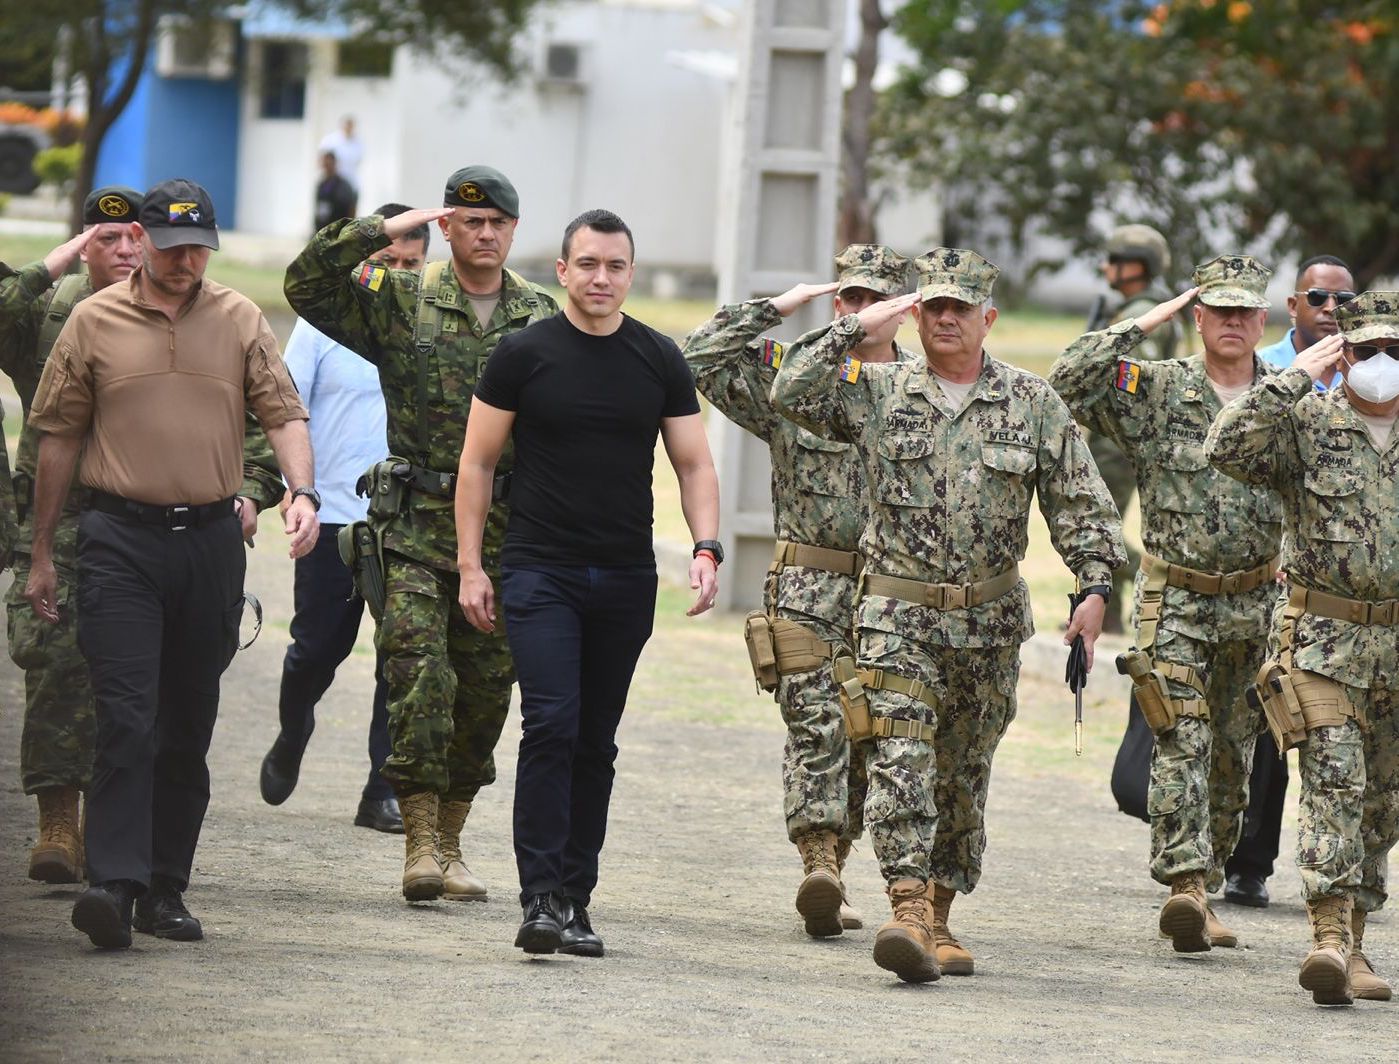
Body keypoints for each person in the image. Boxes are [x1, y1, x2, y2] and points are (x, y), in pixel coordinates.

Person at [772, 247, 1125, 983]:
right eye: (930, 304)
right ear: (913, 312)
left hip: (987, 625)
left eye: (957, 307)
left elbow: (1080, 504)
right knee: (900, 755)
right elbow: (789, 388)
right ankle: (904, 910)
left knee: (961, 773)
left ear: (986, 318)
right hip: (895, 616)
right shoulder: (874, 389)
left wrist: (1094, 589)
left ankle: (939, 911)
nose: (942, 318)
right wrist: (854, 324)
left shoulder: (1031, 404)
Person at [25, 178, 319, 950]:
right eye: (175, 246)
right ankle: (113, 886)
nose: (188, 260)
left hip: (210, 545)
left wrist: (303, 491)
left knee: (187, 721)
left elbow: (283, 410)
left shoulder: (239, 318)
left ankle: (164, 888)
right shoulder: (92, 320)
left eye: (201, 248)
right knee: (127, 715)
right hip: (119, 539)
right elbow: (56, 436)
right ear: (144, 241)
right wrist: (43, 551)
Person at [285, 166, 558, 902]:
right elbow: (306, 286)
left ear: (513, 229)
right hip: (410, 526)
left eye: (498, 221)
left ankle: (454, 840)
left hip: (503, 535)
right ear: (444, 227)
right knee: (417, 679)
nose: (486, 233)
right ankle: (417, 842)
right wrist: (378, 230)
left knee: (481, 694)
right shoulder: (400, 298)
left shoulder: (538, 315)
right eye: (470, 220)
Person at [456, 208, 719, 957]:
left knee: (594, 742)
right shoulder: (522, 355)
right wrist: (472, 565)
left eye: (615, 266)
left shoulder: (659, 358)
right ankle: (538, 897)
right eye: (588, 264)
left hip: (626, 577)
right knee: (552, 726)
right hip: (540, 571)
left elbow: (694, 463)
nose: (601, 278)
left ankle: (576, 899)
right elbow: (477, 464)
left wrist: (706, 547)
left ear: (629, 274)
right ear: (562, 271)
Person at [1050, 257, 1282, 955]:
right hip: (1173, 598)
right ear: (1198, 317)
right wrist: (1145, 317)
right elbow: (1068, 381)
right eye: (1220, 311)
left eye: (1245, 312)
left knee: (1231, 755)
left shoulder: (1285, 401)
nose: (1233, 323)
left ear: (1260, 321)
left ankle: (1204, 881)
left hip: (1255, 604)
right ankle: (1182, 886)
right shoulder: (1154, 389)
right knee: (1180, 736)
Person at [681, 245, 915, 939]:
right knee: (816, 721)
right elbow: (697, 358)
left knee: (871, 735)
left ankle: (836, 866)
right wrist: (786, 304)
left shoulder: (921, 388)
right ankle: (819, 865)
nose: (857, 310)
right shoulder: (794, 377)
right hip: (807, 581)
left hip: (889, 590)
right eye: (846, 297)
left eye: (870, 299)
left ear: (898, 309)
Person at [1206, 292, 1399, 1006]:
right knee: (1332, 785)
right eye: (1367, 351)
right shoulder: (1307, 424)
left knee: (1381, 803)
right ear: (1341, 354)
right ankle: (1325, 937)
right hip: (1322, 642)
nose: (1382, 366)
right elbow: (1224, 444)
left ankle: (1355, 938)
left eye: (1395, 352)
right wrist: (1292, 377)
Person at [259, 204, 430, 834]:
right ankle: (293, 726)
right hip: (334, 515)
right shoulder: (323, 326)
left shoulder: (434, 330)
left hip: (408, 523)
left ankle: (380, 790)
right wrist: (291, 488)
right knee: (317, 650)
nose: (400, 274)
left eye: (413, 263)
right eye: (388, 261)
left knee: (405, 656)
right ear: (365, 260)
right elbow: (282, 406)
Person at [1086, 224, 1183, 634]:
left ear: (1134, 266)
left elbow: (1129, 382)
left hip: (1118, 440)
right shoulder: (1145, 308)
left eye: (1114, 259)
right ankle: (1107, 615)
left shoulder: (1141, 315)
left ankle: (1130, 576)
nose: (1106, 266)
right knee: (1097, 525)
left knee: (1095, 528)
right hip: (1121, 438)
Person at [1258, 255, 1355, 379]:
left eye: (1344, 299)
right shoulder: (1259, 365)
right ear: (1293, 306)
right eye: (1317, 297)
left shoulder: (1366, 369)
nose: (1331, 308)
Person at [313, 151, 358, 229]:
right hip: (322, 228)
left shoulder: (344, 185)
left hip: (338, 229)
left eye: (329, 164)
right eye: (325, 164)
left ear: (334, 164)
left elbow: (352, 208)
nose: (326, 167)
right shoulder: (321, 184)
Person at [319, 116, 364, 191]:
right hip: (332, 182)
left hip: (350, 181)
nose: (348, 128)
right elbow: (322, 159)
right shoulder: (330, 140)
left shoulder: (358, 143)